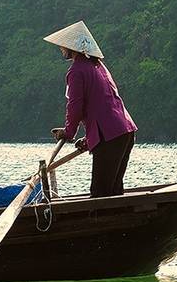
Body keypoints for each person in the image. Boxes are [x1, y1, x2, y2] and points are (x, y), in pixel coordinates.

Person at [46, 21, 138, 198]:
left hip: (111, 136)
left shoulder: (76, 71)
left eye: (62, 46)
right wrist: (89, 139)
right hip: (124, 131)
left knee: (100, 194)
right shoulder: (98, 67)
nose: (60, 49)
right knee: (113, 191)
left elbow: (75, 107)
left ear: (72, 47)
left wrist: (68, 132)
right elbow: (101, 106)